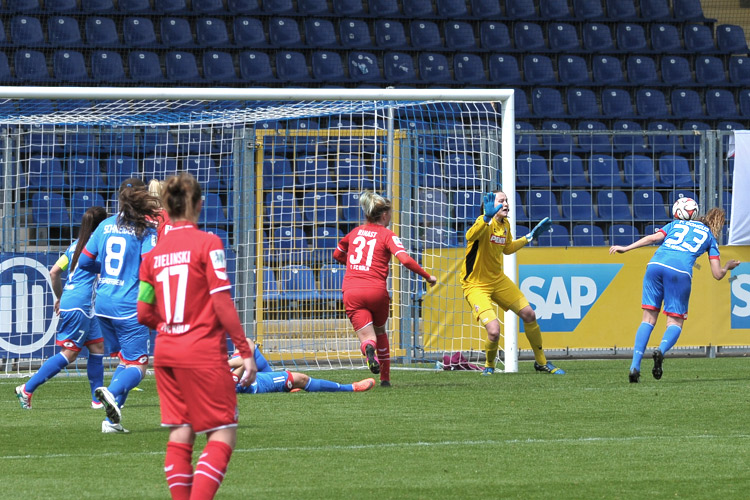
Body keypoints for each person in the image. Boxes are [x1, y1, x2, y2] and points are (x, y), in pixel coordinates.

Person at [137, 172, 256, 500]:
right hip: (202, 352)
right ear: (199, 205)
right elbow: (221, 300)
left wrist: (171, 325)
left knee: (181, 431)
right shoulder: (209, 244)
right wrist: (244, 350)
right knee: (222, 434)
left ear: (167, 207)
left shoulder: (153, 257)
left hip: (166, 353)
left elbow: (144, 314)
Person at [609, 206, 740, 383]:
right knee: (675, 321)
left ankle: (635, 366)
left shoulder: (675, 225)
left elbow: (653, 238)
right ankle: (661, 351)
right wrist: (727, 267)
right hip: (680, 271)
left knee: (647, 319)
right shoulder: (710, 237)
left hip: (655, 265)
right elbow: (717, 275)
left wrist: (626, 248)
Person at [77, 178, 160, 433]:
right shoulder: (145, 229)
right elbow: (150, 266)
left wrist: (108, 271)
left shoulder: (104, 225)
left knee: (126, 360)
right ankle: (110, 391)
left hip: (102, 304)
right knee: (139, 366)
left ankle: (112, 421)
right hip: (129, 305)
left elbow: (84, 262)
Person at [333, 190, 437, 387]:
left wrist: (356, 265)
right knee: (380, 331)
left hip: (352, 290)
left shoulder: (354, 233)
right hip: (376, 291)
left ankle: (369, 350)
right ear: (384, 215)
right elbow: (405, 259)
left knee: (367, 338)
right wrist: (427, 276)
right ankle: (385, 379)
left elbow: (337, 254)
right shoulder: (387, 234)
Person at [461, 191, 565, 376]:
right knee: (494, 331)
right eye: (501, 201)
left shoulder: (505, 224)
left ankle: (541, 362)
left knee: (529, 314)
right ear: (490, 206)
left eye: (507, 200)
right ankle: (489, 365)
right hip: (475, 284)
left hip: (497, 279)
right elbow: (470, 235)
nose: (506, 203)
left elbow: (507, 249)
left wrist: (527, 238)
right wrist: (486, 216)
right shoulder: (484, 223)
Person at [15, 206, 108, 410]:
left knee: (97, 347)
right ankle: (27, 388)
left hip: (78, 303)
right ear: (102, 225)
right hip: (81, 304)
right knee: (70, 353)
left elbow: (54, 272)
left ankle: (96, 399)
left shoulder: (74, 246)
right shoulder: (99, 246)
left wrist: (60, 297)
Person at [228, 340, 375, 394]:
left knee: (247, 343)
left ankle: (286, 386)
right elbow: (242, 364)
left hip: (244, 373)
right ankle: (351, 387)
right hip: (254, 383)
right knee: (301, 378)